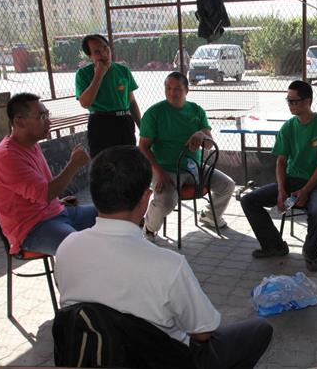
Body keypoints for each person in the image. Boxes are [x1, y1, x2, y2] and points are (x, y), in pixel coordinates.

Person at [55, 146, 273, 368]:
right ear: (146, 198)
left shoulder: (66, 248)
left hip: (95, 355)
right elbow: (203, 332)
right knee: (260, 329)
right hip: (161, 359)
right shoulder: (168, 265)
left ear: (94, 193)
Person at [240, 80, 317, 272]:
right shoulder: (288, 127)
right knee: (248, 200)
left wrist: (305, 190)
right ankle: (274, 245)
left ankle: (310, 250)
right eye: (288, 100)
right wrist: (281, 190)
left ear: (307, 101)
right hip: (293, 179)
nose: (290, 105)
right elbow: (281, 162)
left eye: (294, 101)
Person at [0, 93, 97, 255]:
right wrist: (74, 164)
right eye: (42, 116)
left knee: (118, 214)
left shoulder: (31, 144)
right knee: (79, 249)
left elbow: (40, 193)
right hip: (32, 228)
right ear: (19, 121)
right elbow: (45, 194)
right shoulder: (7, 157)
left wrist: (56, 202)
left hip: (58, 212)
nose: (49, 122)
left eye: (47, 115)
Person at [139, 72, 235, 238]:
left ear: (187, 90)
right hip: (166, 169)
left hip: (194, 168)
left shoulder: (196, 110)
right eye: (168, 88)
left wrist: (201, 134)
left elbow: (209, 145)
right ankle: (149, 229)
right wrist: (159, 173)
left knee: (227, 185)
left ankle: (210, 216)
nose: (172, 92)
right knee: (166, 202)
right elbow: (143, 147)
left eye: (177, 88)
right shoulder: (154, 113)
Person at [75, 34, 141, 157]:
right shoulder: (83, 74)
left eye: (105, 48)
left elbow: (131, 101)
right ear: (90, 56)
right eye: (97, 52)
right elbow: (85, 103)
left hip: (124, 121)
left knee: (129, 161)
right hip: (101, 123)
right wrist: (99, 75)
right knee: (103, 164)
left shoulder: (123, 70)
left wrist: (141, 127)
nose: (104, 54)